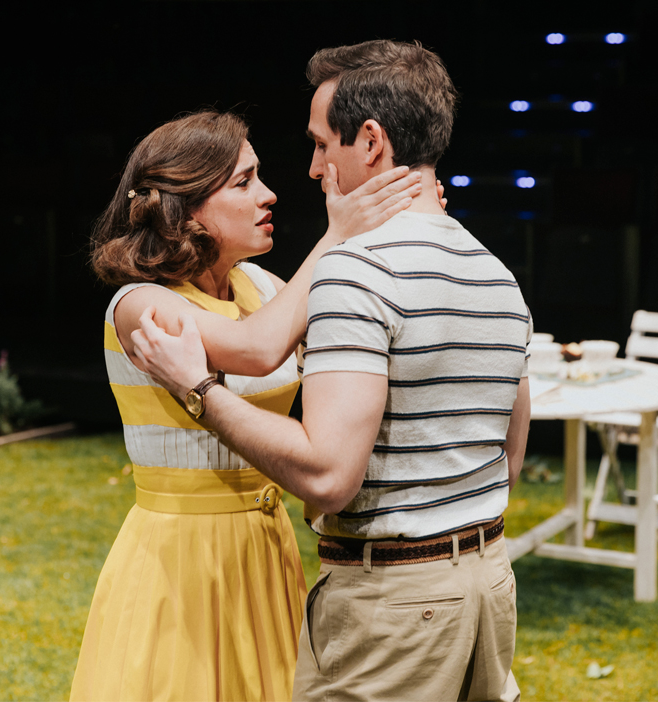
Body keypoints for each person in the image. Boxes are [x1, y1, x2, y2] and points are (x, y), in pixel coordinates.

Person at [132, 41, 531, 702]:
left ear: (370, 141)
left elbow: (327, 476)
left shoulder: (355, 272)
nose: (314, 168)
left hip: (394, 603)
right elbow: (508, 460)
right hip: (488, 584)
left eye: (322, 144)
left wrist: (199, 390)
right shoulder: (496, 274)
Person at [69, 109, 426, 702]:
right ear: (186, 210)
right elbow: (256, 351)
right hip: (183, 558)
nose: (268, 194)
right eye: (243, 181)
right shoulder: (140, 306)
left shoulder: (263, 287)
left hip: (265, 548)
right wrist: (335, 237)